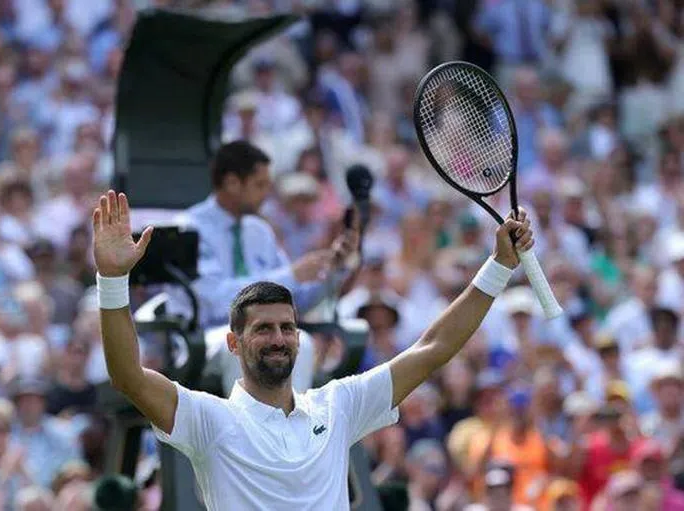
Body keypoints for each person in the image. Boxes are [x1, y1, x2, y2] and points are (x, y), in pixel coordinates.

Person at [90, 188, 534, 509]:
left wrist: (498, 267)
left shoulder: (338, 405)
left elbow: (433, 348)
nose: (278, 338)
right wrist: (112, 280)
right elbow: (128, 376)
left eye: (287, 327)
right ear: (234, 342)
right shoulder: (210, 419)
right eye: (263, 329)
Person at [181, 140, 358, 394]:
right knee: (241, 345)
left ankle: (291, 431)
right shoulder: (191, 228)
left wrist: (334, 269)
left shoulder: (260, 231)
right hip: (204, 336)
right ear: (232, 182)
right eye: (259, 185)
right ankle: (248, 434)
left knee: (302, 343)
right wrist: (289, 275)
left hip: (260, 330)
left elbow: (295, 301)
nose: (266, 193)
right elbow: (214, 300)